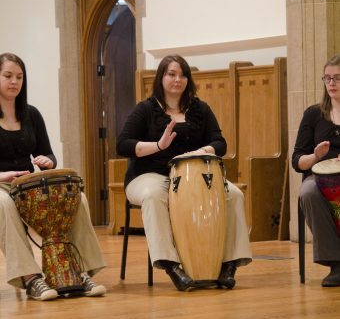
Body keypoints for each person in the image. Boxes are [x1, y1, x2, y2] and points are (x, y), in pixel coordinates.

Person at [116, 54, 252, 291]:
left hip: (194, 175)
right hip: (150, 174)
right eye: (171, 74)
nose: (177, 79)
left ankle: (229, 264)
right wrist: (158, 146)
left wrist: (199, 151)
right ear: (161, 78)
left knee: (234, 194)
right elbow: (123, 145)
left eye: (182, 74)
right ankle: (171, 265)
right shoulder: (146, 109)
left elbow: (220, 143)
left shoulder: (200, 108)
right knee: (153, 195)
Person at [0, 52, 107, 301]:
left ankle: (77, 271)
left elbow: (47, 153)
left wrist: (48, 161)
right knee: (3, 203)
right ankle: (30, 278)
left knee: (76, 198)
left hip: (26, 187)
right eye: (7, 76)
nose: (14, 81)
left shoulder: (31, 114)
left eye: (19, 77)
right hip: (2, 187)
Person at [292, 54, 340, 287]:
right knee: (308, 192)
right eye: (328, 78)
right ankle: (336, 263)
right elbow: (297, 160)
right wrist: (316, 156)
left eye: (337, 78)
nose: (331, 83)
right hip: (319, 176)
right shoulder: (313, 114)